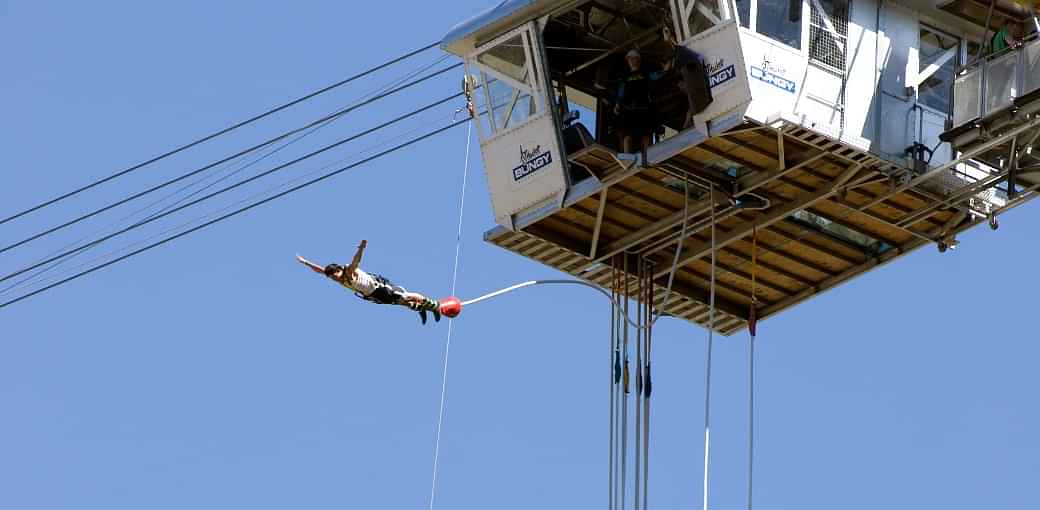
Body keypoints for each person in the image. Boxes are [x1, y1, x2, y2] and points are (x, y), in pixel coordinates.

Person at [298, 240, 442, 324]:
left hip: (380, 287)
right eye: (331, 277)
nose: (333, 278)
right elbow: (320, 270)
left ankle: (434, 305)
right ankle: (422, 309)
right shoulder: (338, 279)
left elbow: (356, 261)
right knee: (401, 303)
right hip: (372, 295)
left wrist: (361, 248)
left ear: (338, 270)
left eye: (334, 274)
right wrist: (306, 263)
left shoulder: (348, 271)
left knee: (404, 296)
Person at [613, 49, 664, 156]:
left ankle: (648, 158)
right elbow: (621, 92)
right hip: (629, 111)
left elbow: (656, 76)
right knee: (627, 136)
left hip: (643, 110)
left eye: (632, 58)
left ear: (638, 60)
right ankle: (628, 159)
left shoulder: (645, 74)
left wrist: (665, 69)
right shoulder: (624, 77)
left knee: (645, 136)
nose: (630, 61)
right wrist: (617, 104)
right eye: (629, 59)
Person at [661, 25, 714, 130]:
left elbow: (676, 47)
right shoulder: (684, 56)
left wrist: (668, 38)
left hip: (701, 102)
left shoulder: (683, 54)